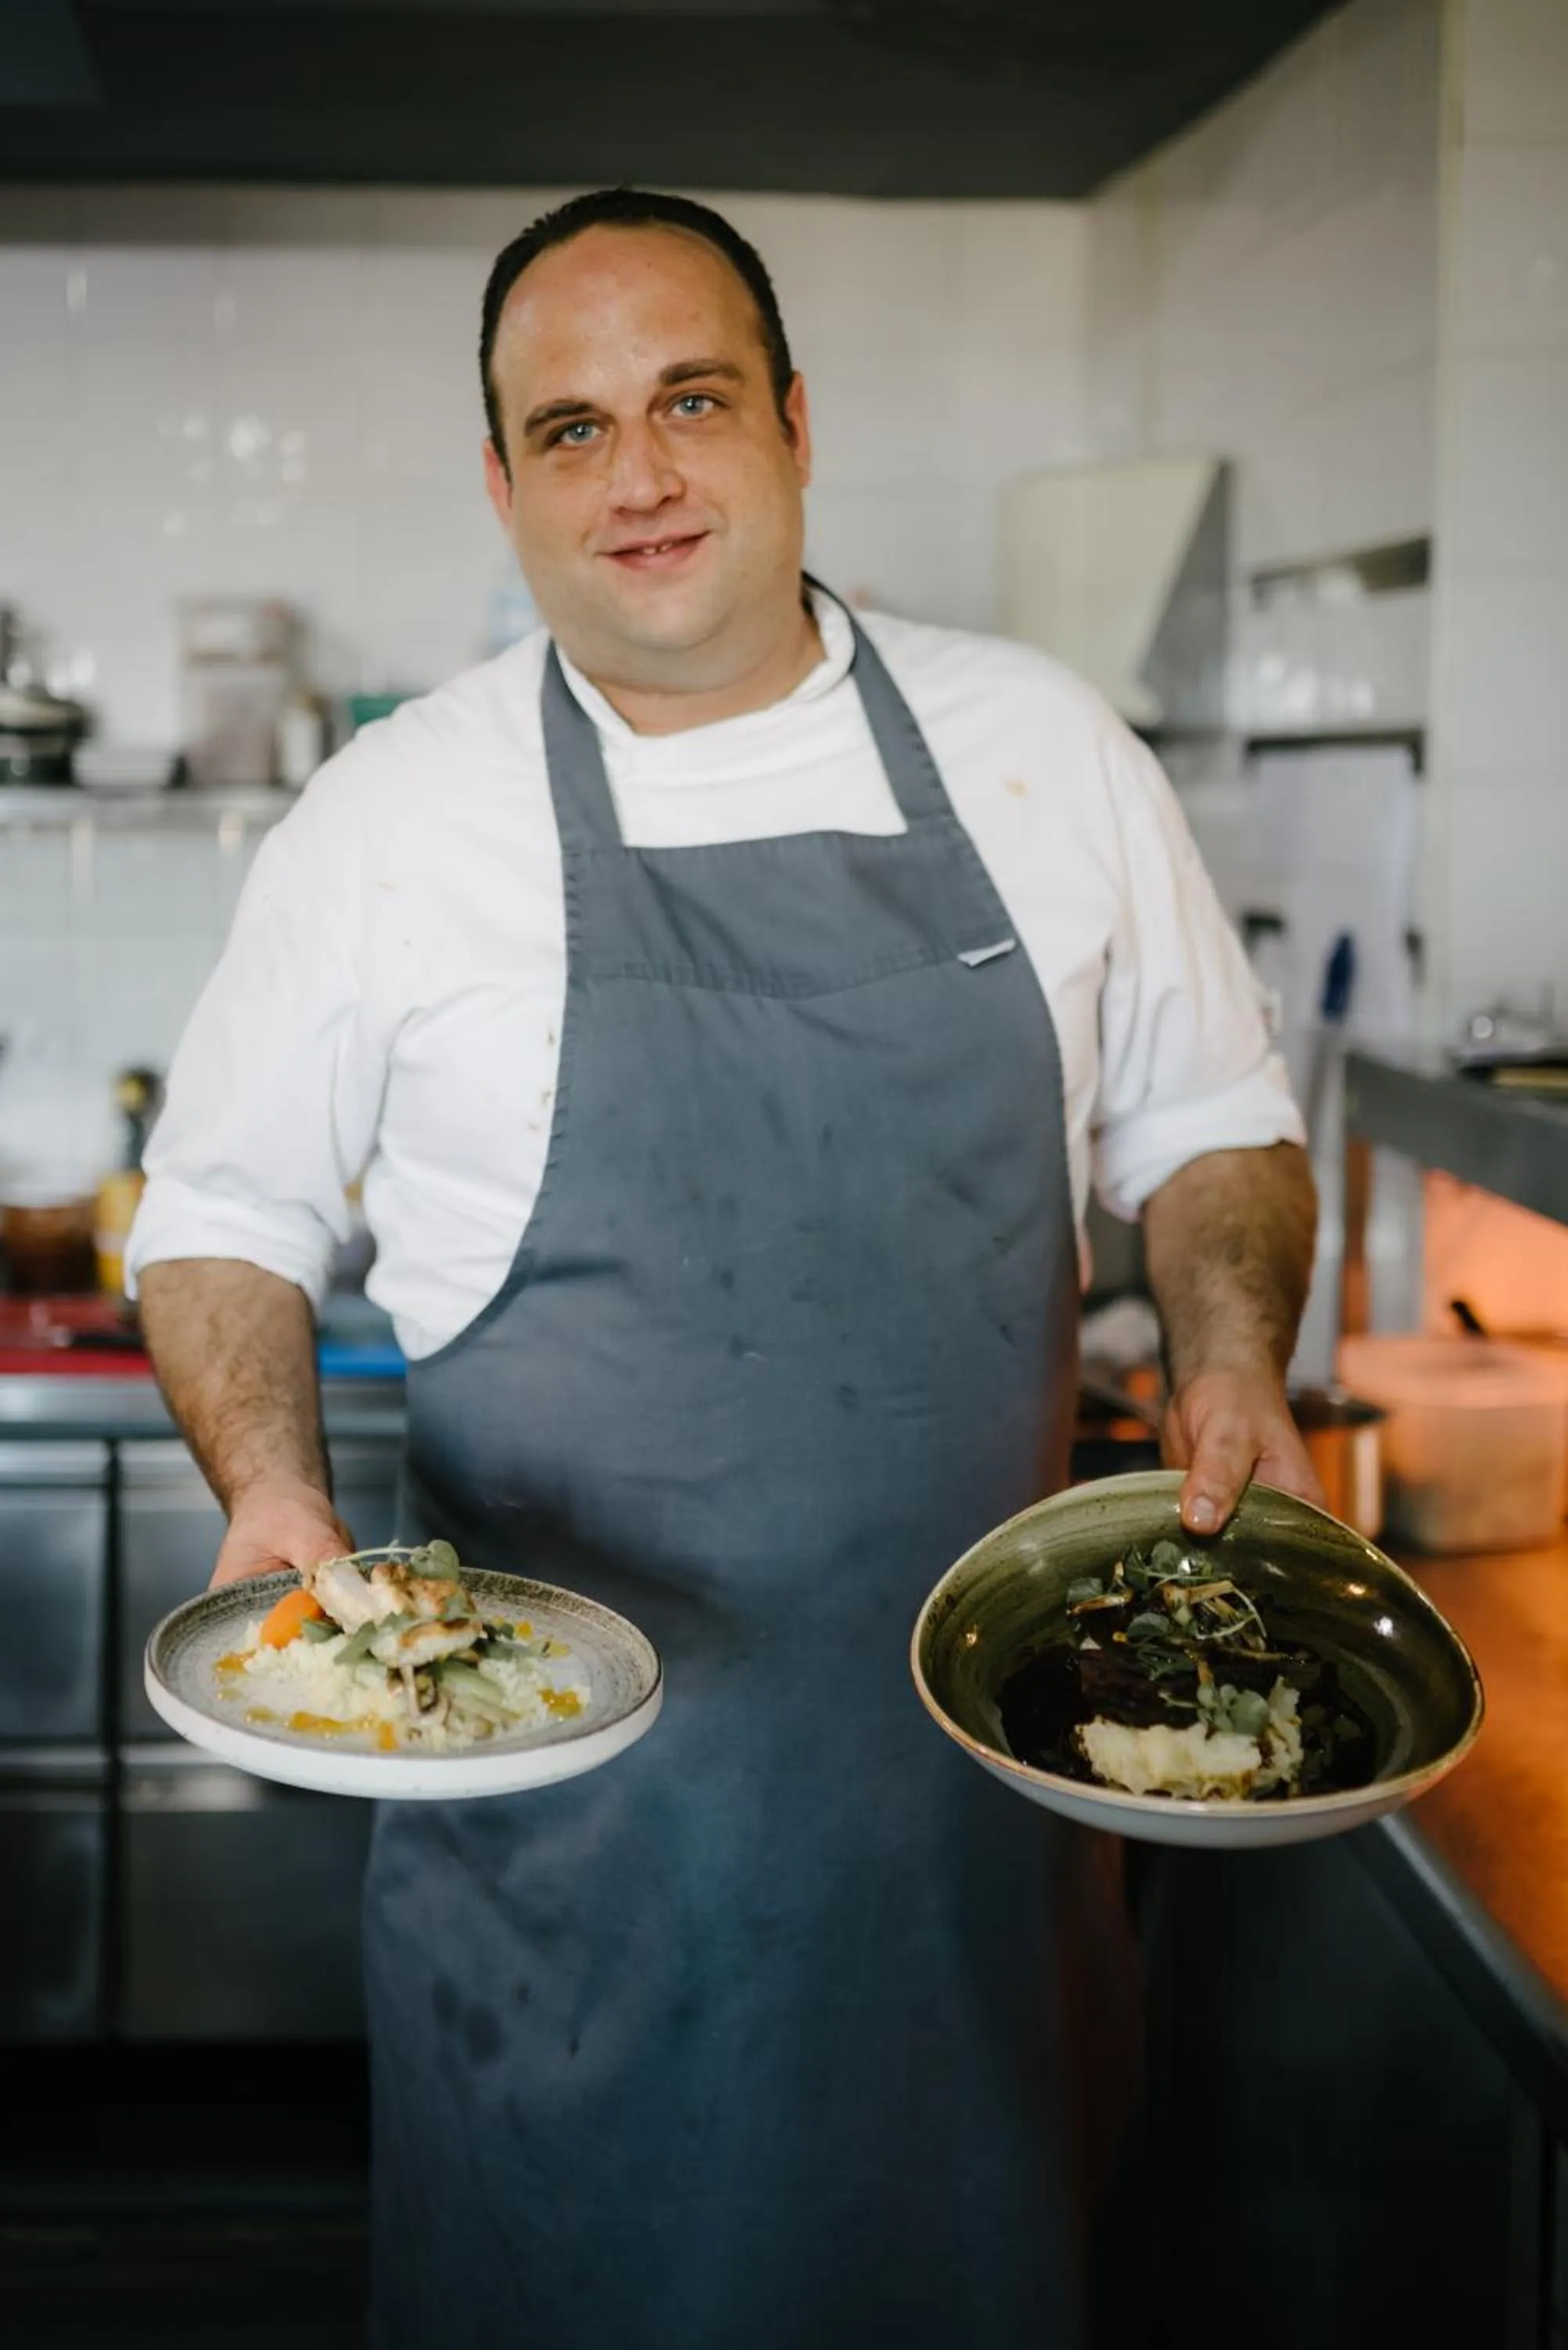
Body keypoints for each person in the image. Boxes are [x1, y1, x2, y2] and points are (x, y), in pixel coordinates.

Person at [130, 186, 1321, 2349]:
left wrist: (1238, 1341)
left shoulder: (1044, 752)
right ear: (503, 487)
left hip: (981, 1821)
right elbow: (222, 1219)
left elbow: (1213, 1123)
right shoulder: (393, 824)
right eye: (569, 429)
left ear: (791, 420)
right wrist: (270, 1489)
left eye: (689, 399)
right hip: (569, 1859)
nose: (641, 474)